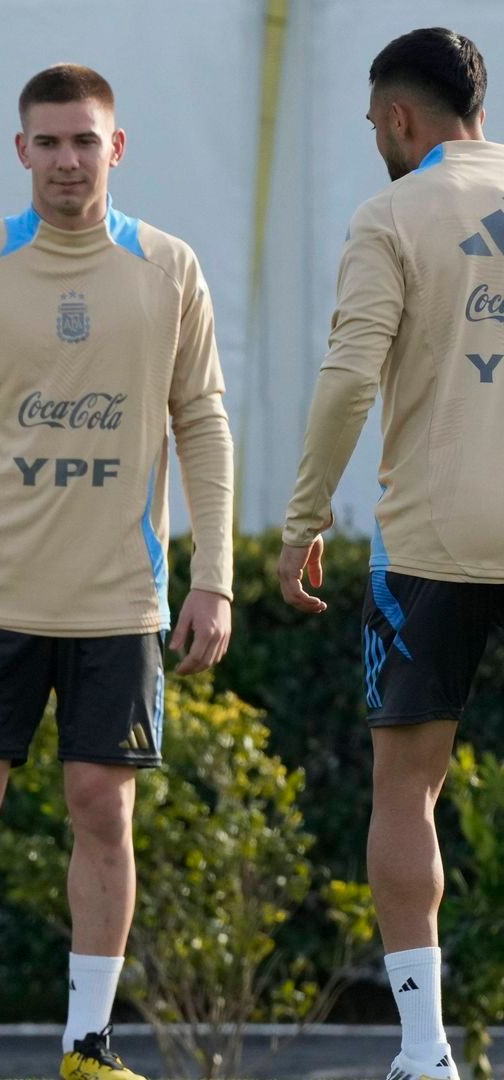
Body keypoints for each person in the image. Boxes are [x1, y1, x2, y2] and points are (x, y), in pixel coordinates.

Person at [0, 63, 234, 1080]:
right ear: (21, 149)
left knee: (103, 810)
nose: (67, 160)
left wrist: (213, 575)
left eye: (85, 140)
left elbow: (203, 421)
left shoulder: (169, 267)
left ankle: (90, 1046)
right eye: (49, 141)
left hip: (118, 598)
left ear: (116, 148)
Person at [277, 27, 497, 1080]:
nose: (376, 138)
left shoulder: (392, 214)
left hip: (435, 544)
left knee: (407, 790)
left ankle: (426, 1053)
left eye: (374, 123)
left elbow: (348, 379)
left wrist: (304, 518)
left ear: (401, 119)